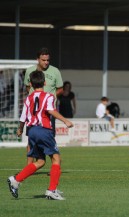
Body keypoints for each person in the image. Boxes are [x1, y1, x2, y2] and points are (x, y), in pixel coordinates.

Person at [7, 70, 73, 200]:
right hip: (44, 130)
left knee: (41, 161)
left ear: (30, 84)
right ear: (45, 82)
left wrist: (20, 129)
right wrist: (65, 120)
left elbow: (23, 116)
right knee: (56, 159)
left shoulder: (28, 98)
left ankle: (16, 179)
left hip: (31, 131)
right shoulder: (48, 96)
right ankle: (52, 190)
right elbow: (50, 110)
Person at [24, 47, 63, 164]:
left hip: (48, 111)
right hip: (34, 111)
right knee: (31, 139)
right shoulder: (29, 71)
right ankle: (29, 167)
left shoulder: (55, 71)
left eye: (48, 60)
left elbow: (60, 89)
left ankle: (55, 166)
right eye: (43, 60)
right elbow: (28, 87)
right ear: (38, 59)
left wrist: (50, 98)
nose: (46, 62)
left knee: (50, 138)